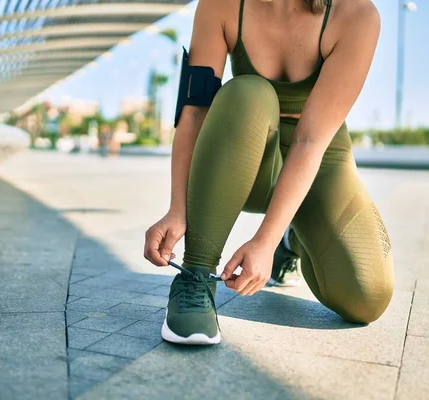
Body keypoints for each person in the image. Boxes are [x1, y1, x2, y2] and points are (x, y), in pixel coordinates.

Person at [144, 0, 394, 345]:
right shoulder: (221, 5)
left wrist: (267, 240)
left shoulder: (355, 15)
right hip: (247, 149)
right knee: (248, 92)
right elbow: (194, 113)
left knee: (367, 296)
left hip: (318, 158)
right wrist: (177, 209)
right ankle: (195, 276)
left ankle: (291, 241)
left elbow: (310, 141)